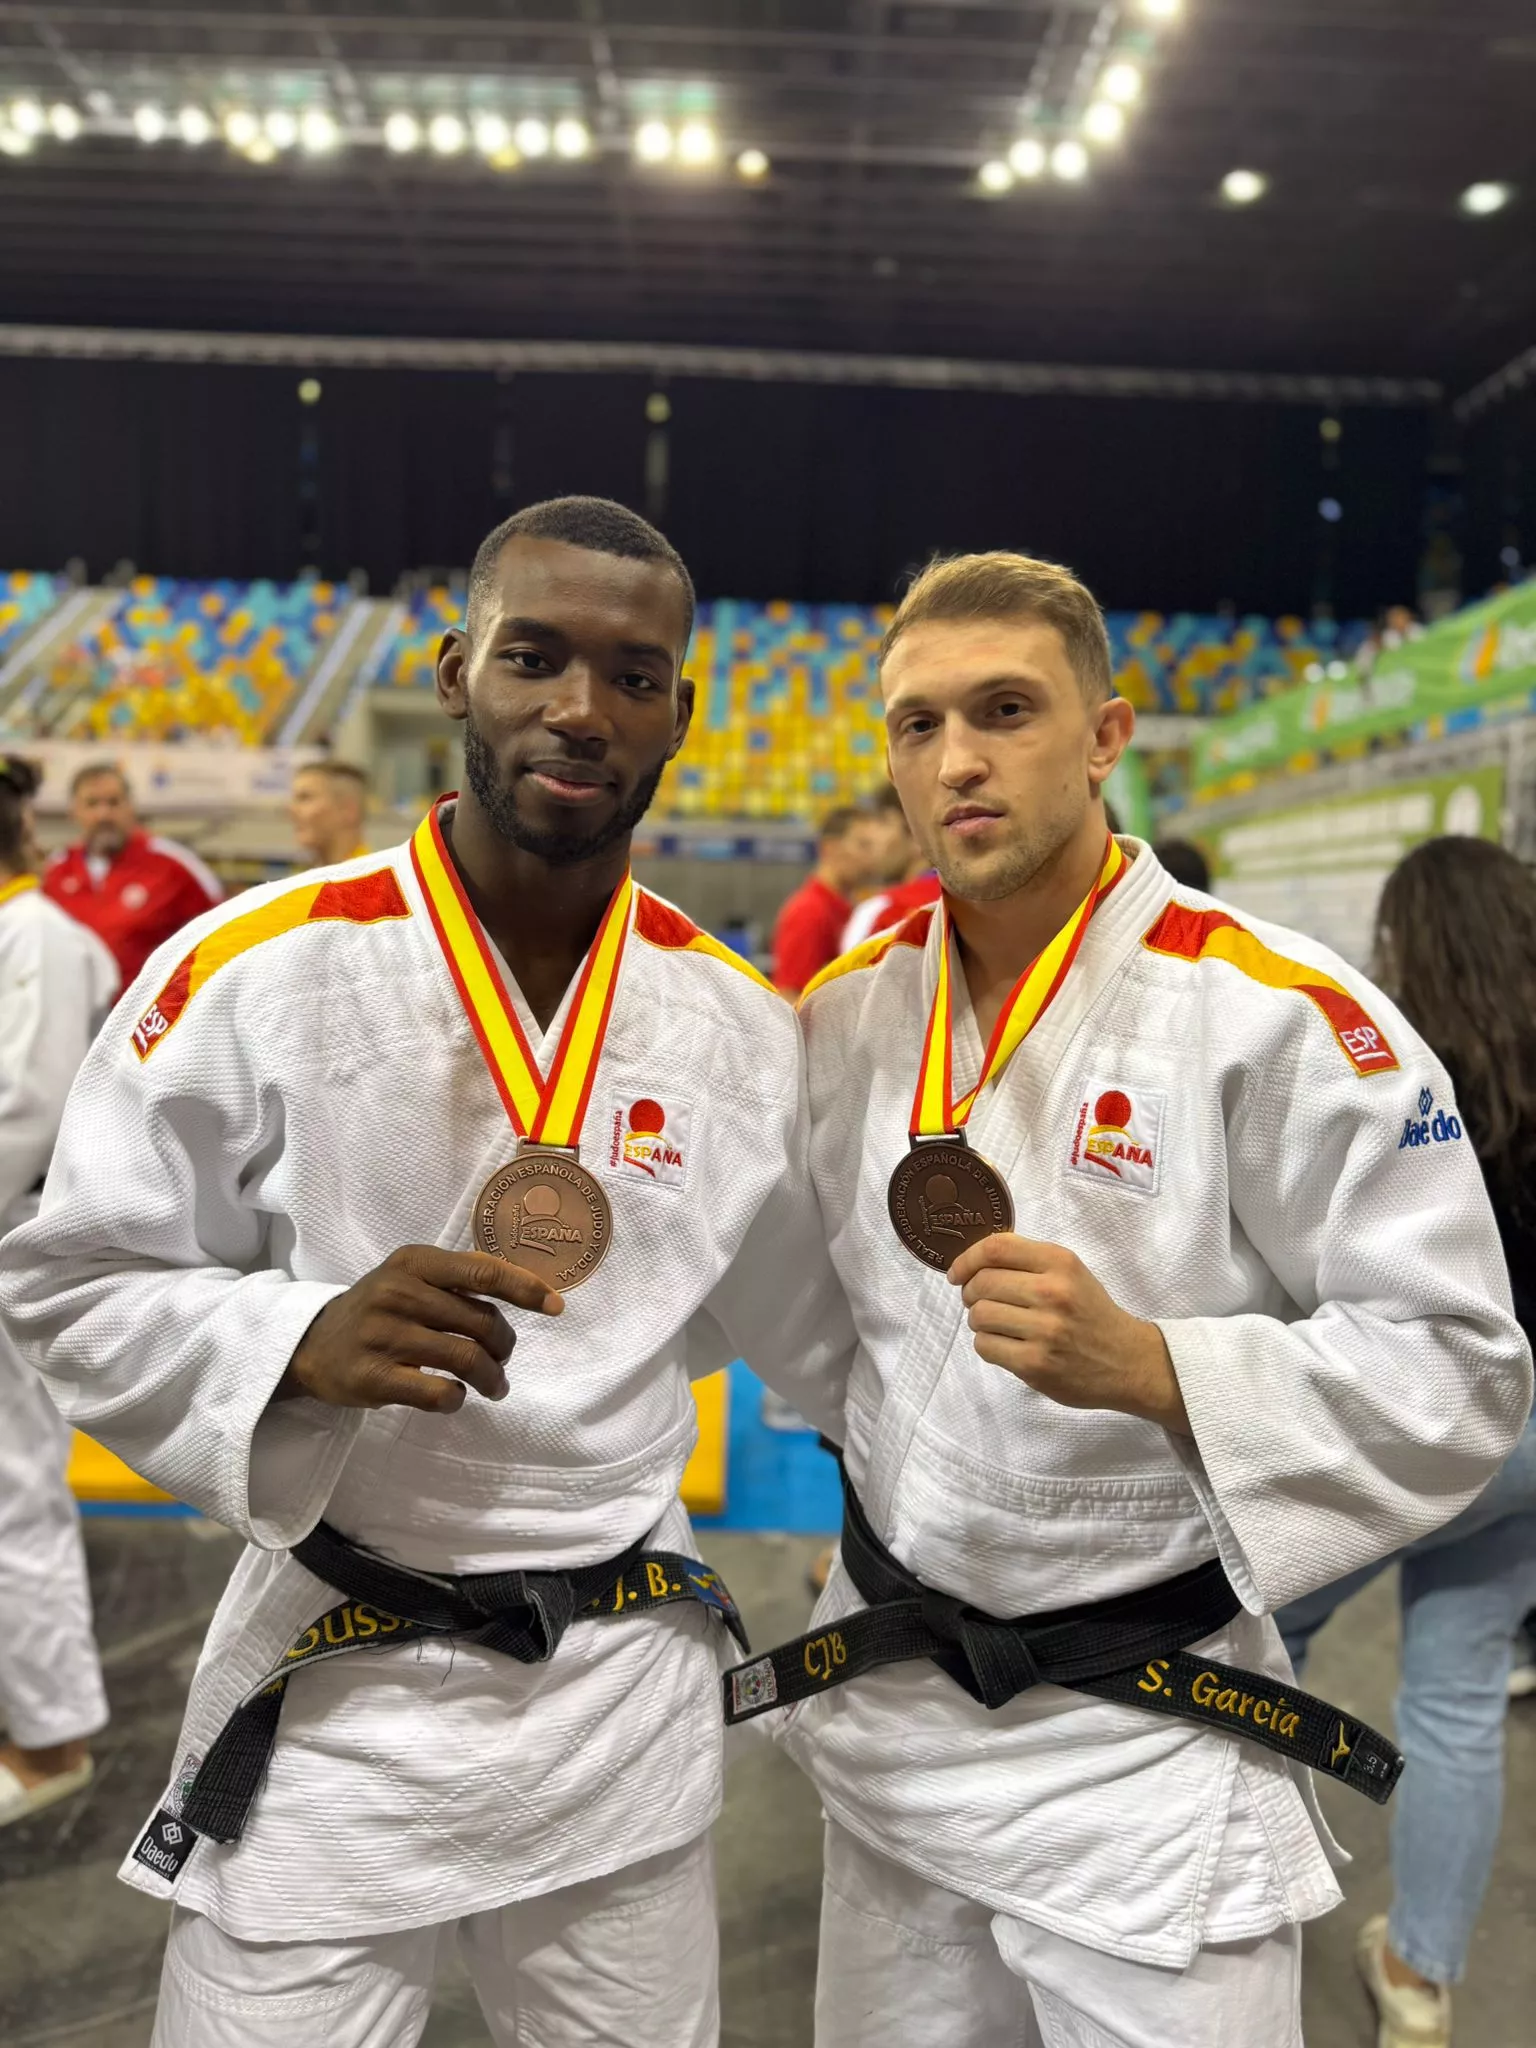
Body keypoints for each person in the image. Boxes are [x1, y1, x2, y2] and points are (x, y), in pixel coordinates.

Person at [0, 497, 853, 2047]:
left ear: (684, 710)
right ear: (457, 671)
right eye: (535, 658)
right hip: (341, 1675)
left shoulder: (742, 1026)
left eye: (634, 674)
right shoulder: (250, 965)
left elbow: (825, 1339)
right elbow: (74, 1276)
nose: (581, 710)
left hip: (613, 1686)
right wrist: (293, 1339)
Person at [748, 551, 1529, 2048]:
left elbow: (1464, 1374)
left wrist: (1163, 1368)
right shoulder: (845, 1021)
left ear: (1107, 736)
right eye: (917, 726)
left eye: (1005, 710)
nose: (956, 759)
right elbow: (814, 1324)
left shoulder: (1282, 1018)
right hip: (902, 1701)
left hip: (1143, 1732)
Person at [1275, 835, 1536, 2048]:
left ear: (1405, 941)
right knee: (1457, 1695)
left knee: (1257, 1637)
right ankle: (1420, 1980)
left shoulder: (1404, 1069)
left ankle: (1220, 1919)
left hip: (1436, 1418)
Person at [0, 755, 116, 1828]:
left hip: (9, 1235)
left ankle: (51, 1737)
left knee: (9, 1484)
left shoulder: (39, 937)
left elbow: (25, 1112)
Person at [43, 762, 223, 986]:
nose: (104, 814)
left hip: (147, 1014)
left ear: (131, 807)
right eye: (92, 804)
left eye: (114, 802)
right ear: (74, 812)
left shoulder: (174, 865)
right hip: (76, 1011)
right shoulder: (56, 870)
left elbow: (221, 933)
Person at [770, 803, 876, 994]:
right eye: (863, 845)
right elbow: (790, 995)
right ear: (830, 848)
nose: (870, 857)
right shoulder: (809, 911)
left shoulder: (849, 908)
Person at [839, 782, 941, 952]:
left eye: (883, 823)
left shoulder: (881, 910)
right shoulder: (973, 905)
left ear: (918, 836)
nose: (872, 837)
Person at [289, 760, 371, 869]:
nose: (292, 810)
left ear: (348, 810)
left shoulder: (376, 881)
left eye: (305, 798)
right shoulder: (305, 880)